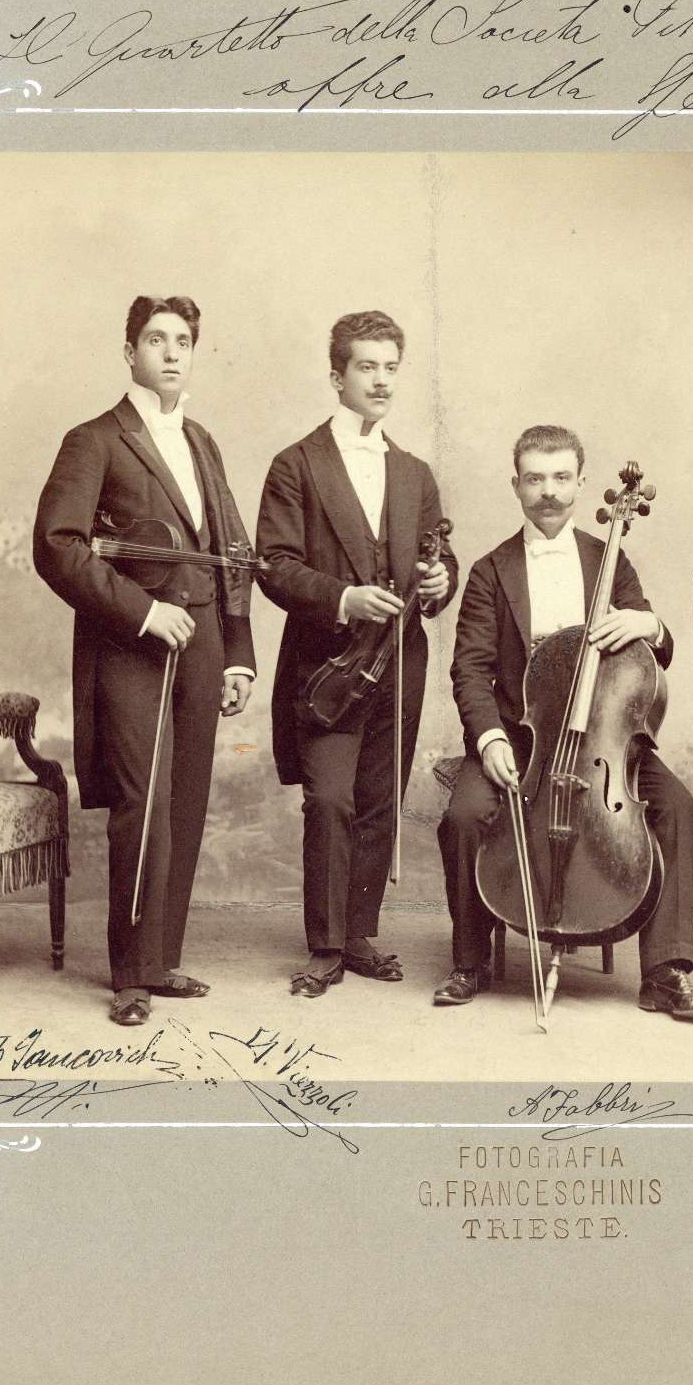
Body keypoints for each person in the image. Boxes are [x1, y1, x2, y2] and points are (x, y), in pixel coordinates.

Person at [433, 425, 693, 1021]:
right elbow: (470, 669)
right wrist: (489, 738)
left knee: (677, 807)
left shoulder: (608, 557)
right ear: (516, 485)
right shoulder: (491, 571)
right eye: (535, 479)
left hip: (605, 739)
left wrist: (651, 625)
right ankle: (469, 962)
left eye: (561, 478)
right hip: (521, 739)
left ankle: (666, 973)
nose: (549, 491)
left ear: (581, 483)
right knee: (463, 817)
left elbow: (655, 650)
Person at [32, 294, 256, 1027]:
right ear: (130, 353)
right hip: (132, 645)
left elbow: (231, 551)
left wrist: (238, 654)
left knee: (186, 801)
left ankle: (160, 961)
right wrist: (142, 611)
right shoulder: (93, 440)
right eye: (156, 340)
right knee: (144, 803)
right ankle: (129, 975)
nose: (170, 352)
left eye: (182, 341)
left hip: (203, 643)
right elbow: (57, 546)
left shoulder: (202, 441)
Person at [256, 311, 457, 997]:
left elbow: (438, 557)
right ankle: (325, 944)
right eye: (367, 367)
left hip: (400, 661)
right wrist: (344, 597)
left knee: (378, 799)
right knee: (330, 800)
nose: (381, 381)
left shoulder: (414, 472)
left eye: (390, 368)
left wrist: (441, 581)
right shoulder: (297, 464)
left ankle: (358, 934)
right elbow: (274, 565)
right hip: (328, 666)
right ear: (337, 375)